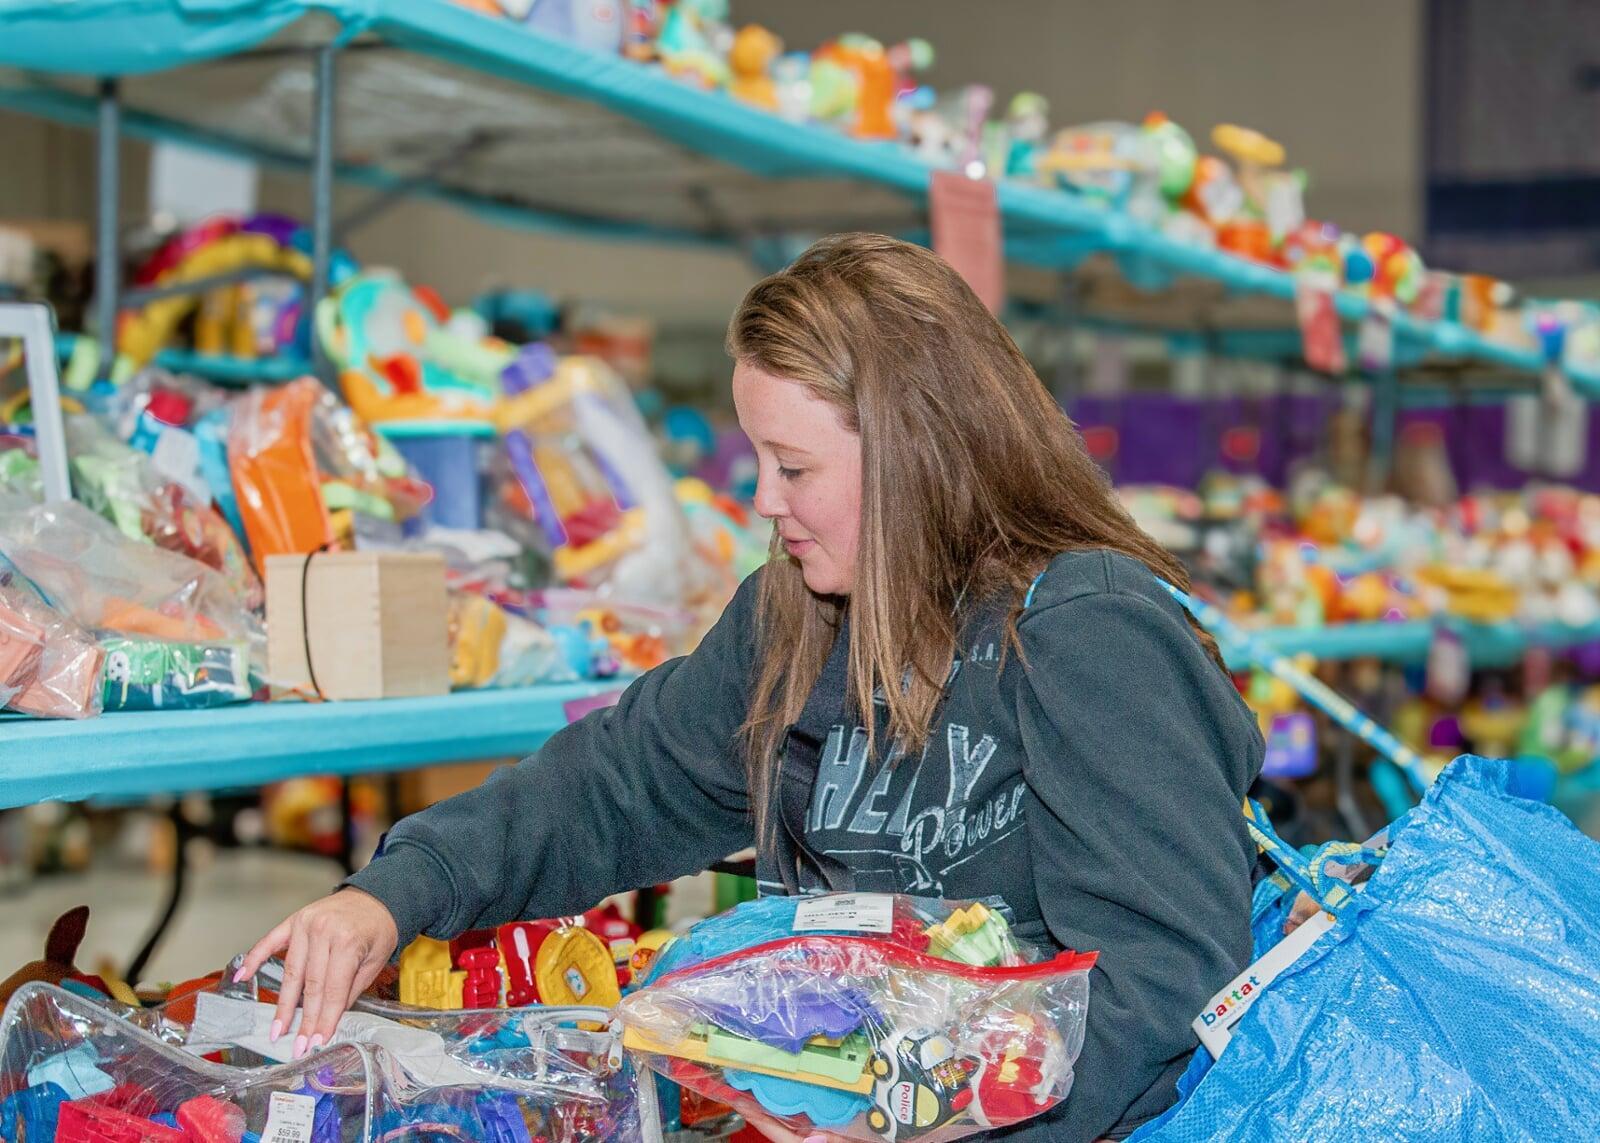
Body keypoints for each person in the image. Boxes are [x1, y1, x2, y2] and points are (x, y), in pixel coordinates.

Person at [239, 234, 1263, 1142]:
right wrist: (394, 893)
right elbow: (613, 784)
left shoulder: (1088, 633)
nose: (765, 500)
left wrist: (927, 1119)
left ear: (917, 456)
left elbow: (1165, 984)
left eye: (793, 467)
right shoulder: (797, 617)